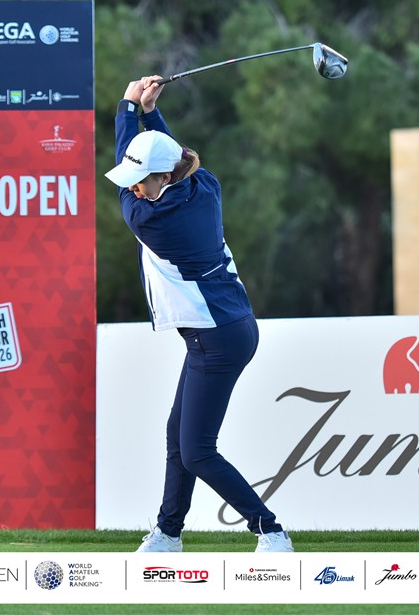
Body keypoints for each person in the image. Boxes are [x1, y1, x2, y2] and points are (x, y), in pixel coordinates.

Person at [105, 75, 293, 553]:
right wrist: (149, 114)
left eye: (140, 182)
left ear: (163, 179)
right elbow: (163, 156)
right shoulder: (203, 184)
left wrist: (128, 107)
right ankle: (168, 532)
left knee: (197, 452)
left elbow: (132, 156)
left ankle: (270, 530)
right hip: (221, 329)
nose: (134, 190)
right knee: (178, 438)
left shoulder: (151, 219)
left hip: (217, 338)